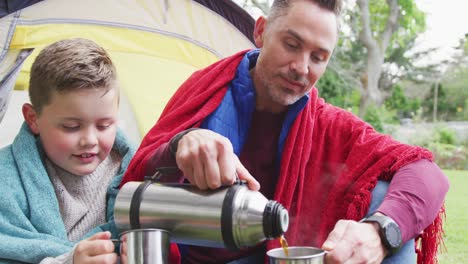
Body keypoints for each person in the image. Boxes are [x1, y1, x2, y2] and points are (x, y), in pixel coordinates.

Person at [121, 0, 449, 263]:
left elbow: (425, 171)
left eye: (318, 57)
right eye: (292, 44)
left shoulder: (327, 123)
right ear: (261, 32)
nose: (301, 68)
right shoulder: (205, 92)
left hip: (275, 254)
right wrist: (180, 145)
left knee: (387, 203)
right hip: (194, 254)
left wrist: (381, 230)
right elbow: (137, 184)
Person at [0, 38, 135, 263]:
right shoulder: (6, 181)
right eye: (71, 127)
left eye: (104, 125)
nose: (90, 140)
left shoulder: (137, 175)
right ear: (33, 119)